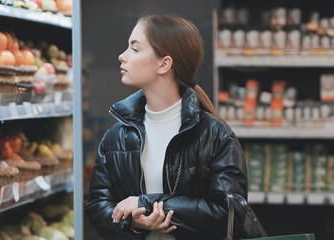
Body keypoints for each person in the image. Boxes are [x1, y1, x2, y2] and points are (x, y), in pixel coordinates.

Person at [85, 15, 247, 240]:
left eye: (135, 48)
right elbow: (96, 208)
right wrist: (132, 223)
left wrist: (147, 203)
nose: (122, 56)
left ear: (164, 64)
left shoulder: (215, 134)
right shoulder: (117, 137)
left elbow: (229, 213)